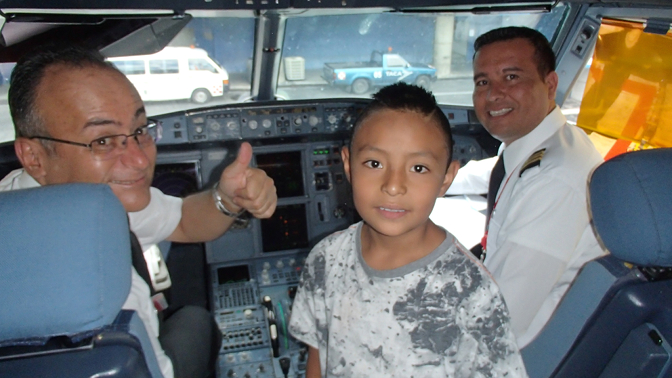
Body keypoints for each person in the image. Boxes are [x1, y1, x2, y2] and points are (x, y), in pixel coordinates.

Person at [0, 45, 277, 378]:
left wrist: (228, 199)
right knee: (196, 320)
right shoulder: (121, 301)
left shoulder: (46, 191)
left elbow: (185, 222)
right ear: (33, 156)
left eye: (140, 130)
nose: (141, 160)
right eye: (102, 141)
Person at [288, 82, 527, 377]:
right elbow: (318, 356)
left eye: (418, 168)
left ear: (446, 178)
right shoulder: (325, 259)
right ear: (348, 166)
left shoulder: (470, 290)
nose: (393, 185)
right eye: (374, 163)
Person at [450, 26, 605, 348]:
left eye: (511, 77)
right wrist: (442, 182)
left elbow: (498, 317)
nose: (493, 94)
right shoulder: (543, 143)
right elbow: (498, 171)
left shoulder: (554, 180)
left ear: (550, 84)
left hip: (517, 350)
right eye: (483, 82)